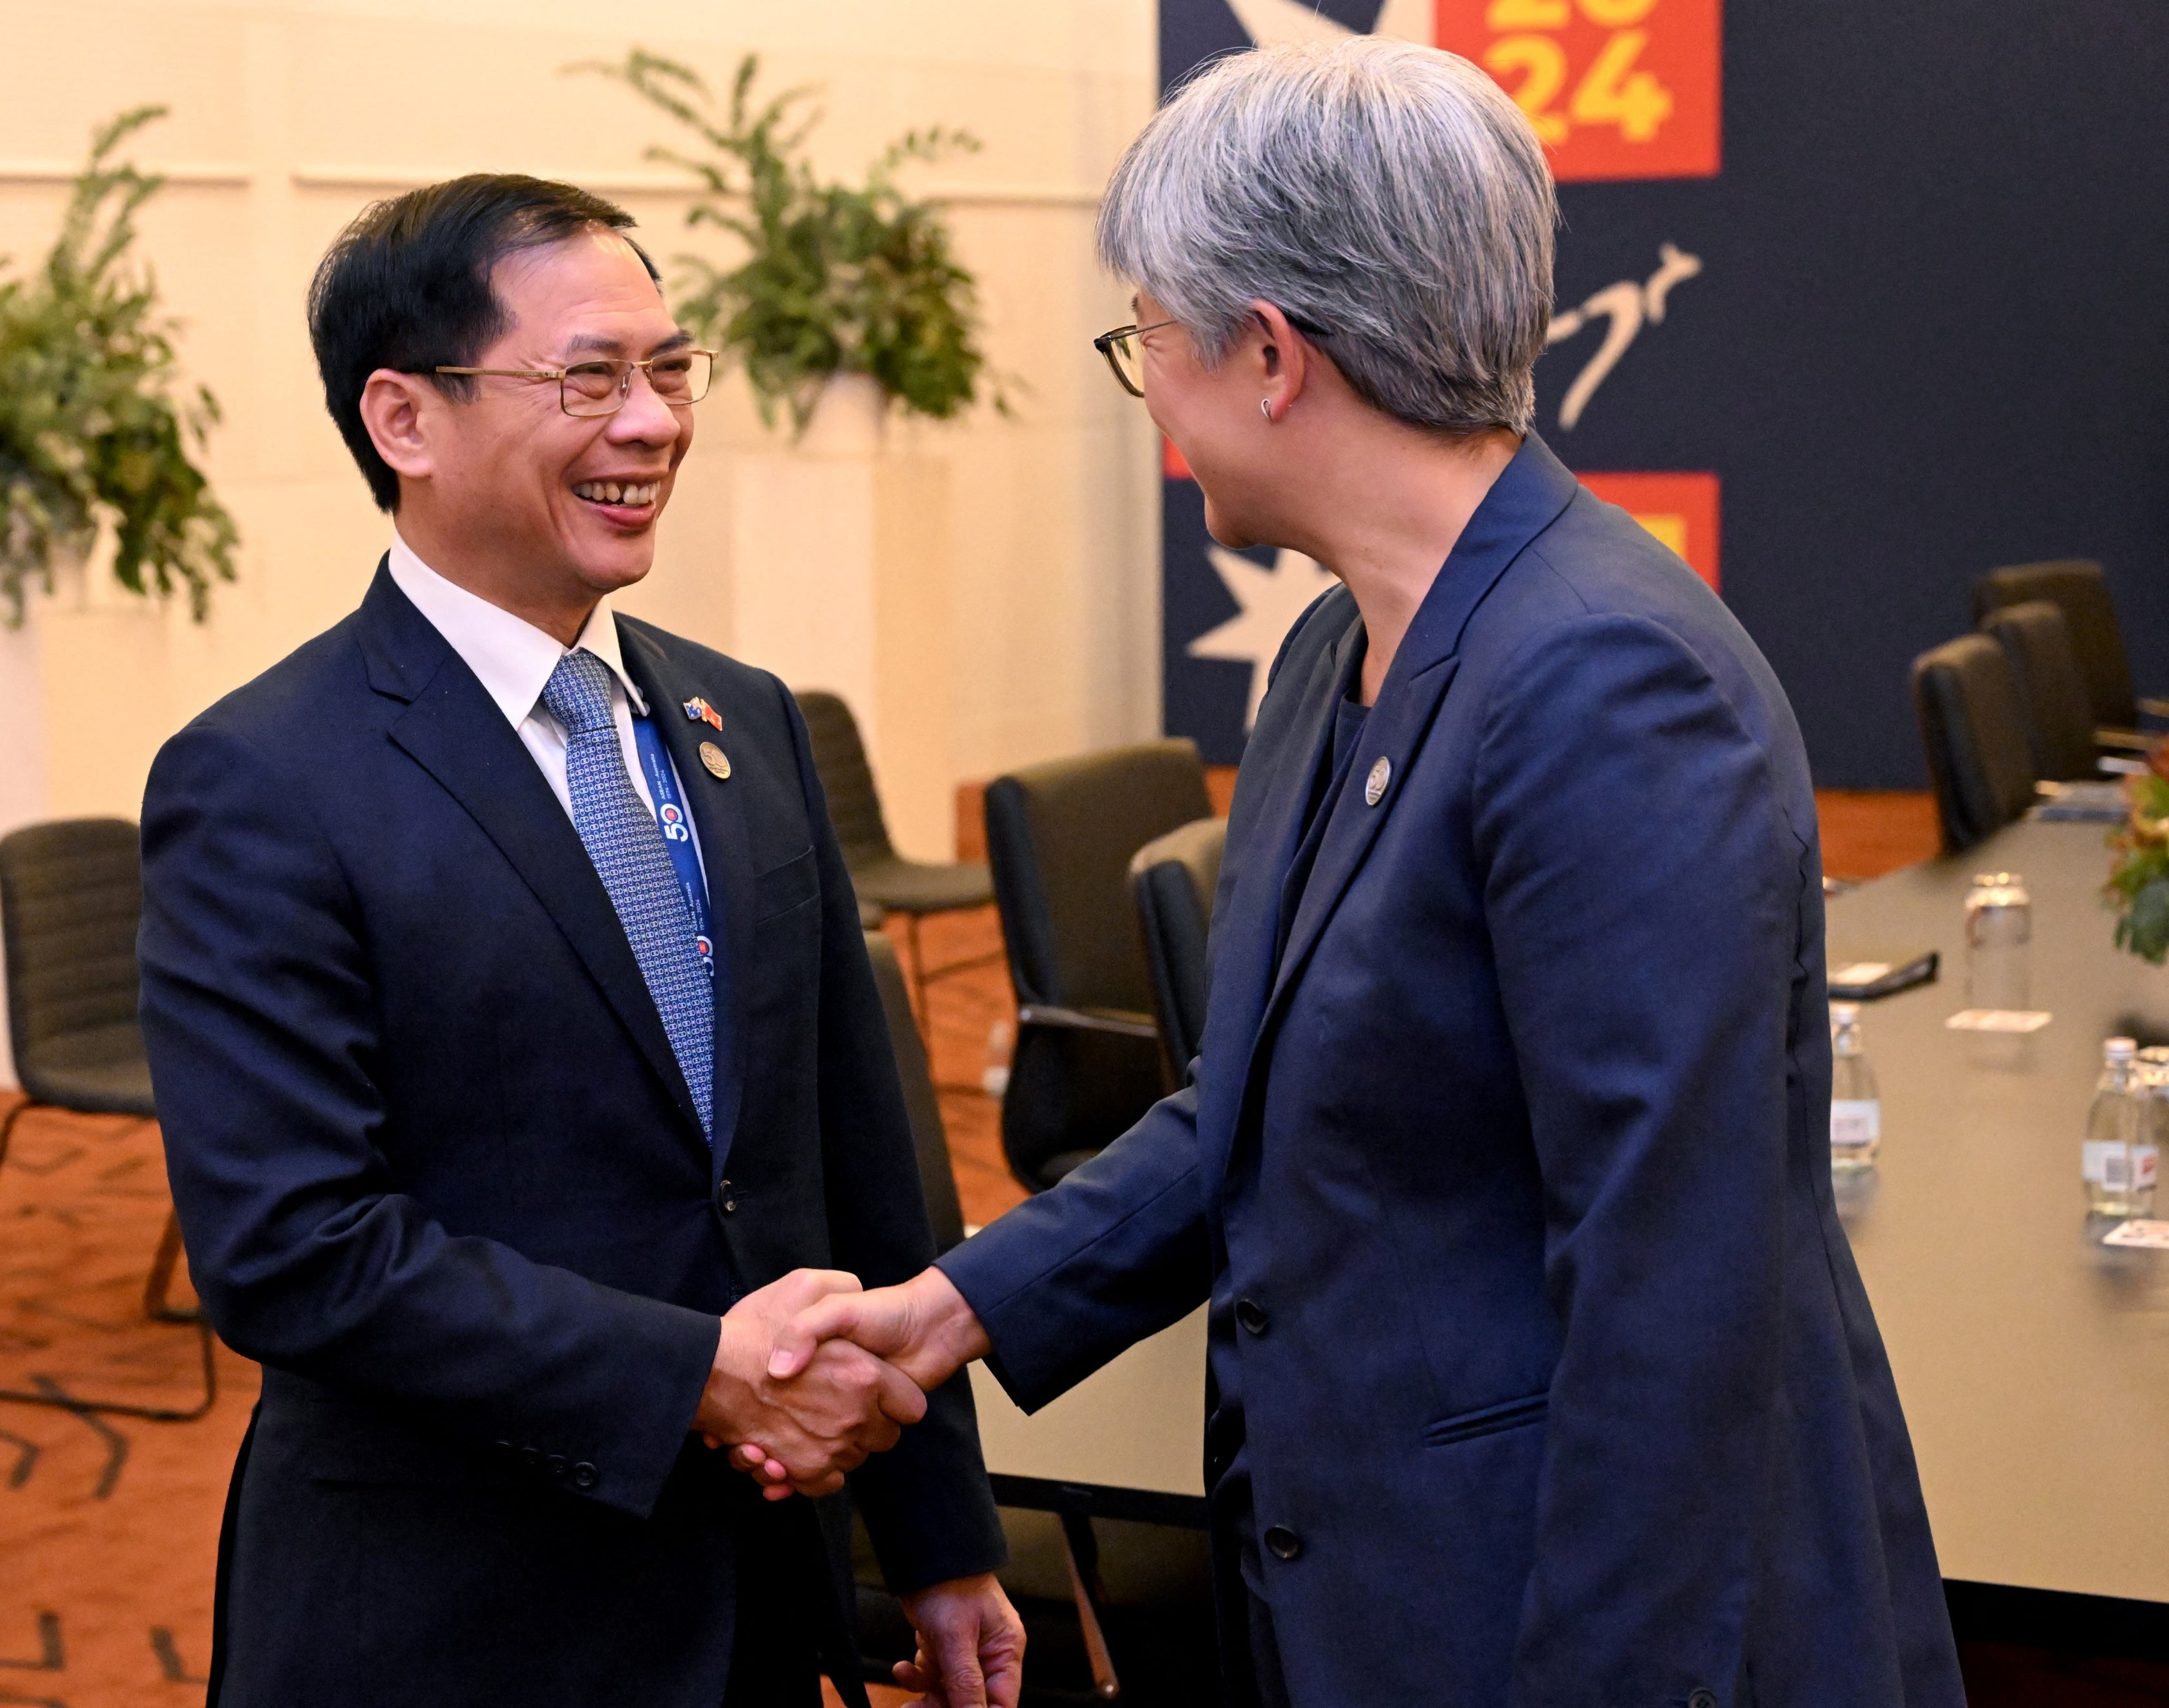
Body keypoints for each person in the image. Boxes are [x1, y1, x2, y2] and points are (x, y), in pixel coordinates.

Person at [754, 39, 1965, 1708]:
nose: (1149, 394)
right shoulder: (1337, 650)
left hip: (1556, 1619)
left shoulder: (1609, 682)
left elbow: (1669, 1306)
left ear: (1268, 355)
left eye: (1147, 341)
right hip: (1380, 1590)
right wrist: (953, 1307)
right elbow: (1264, 1104)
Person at [136, 174, 1021, 1708]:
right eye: (589, 378)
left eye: (669, 371)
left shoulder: (739, 717)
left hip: (750, 1589)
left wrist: (937, 1535)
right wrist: (693, 1373)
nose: (652, 423)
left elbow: (856, 1156)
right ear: (403, 421)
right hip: (457, 1616)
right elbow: (292, 1248)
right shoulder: (268, 777)